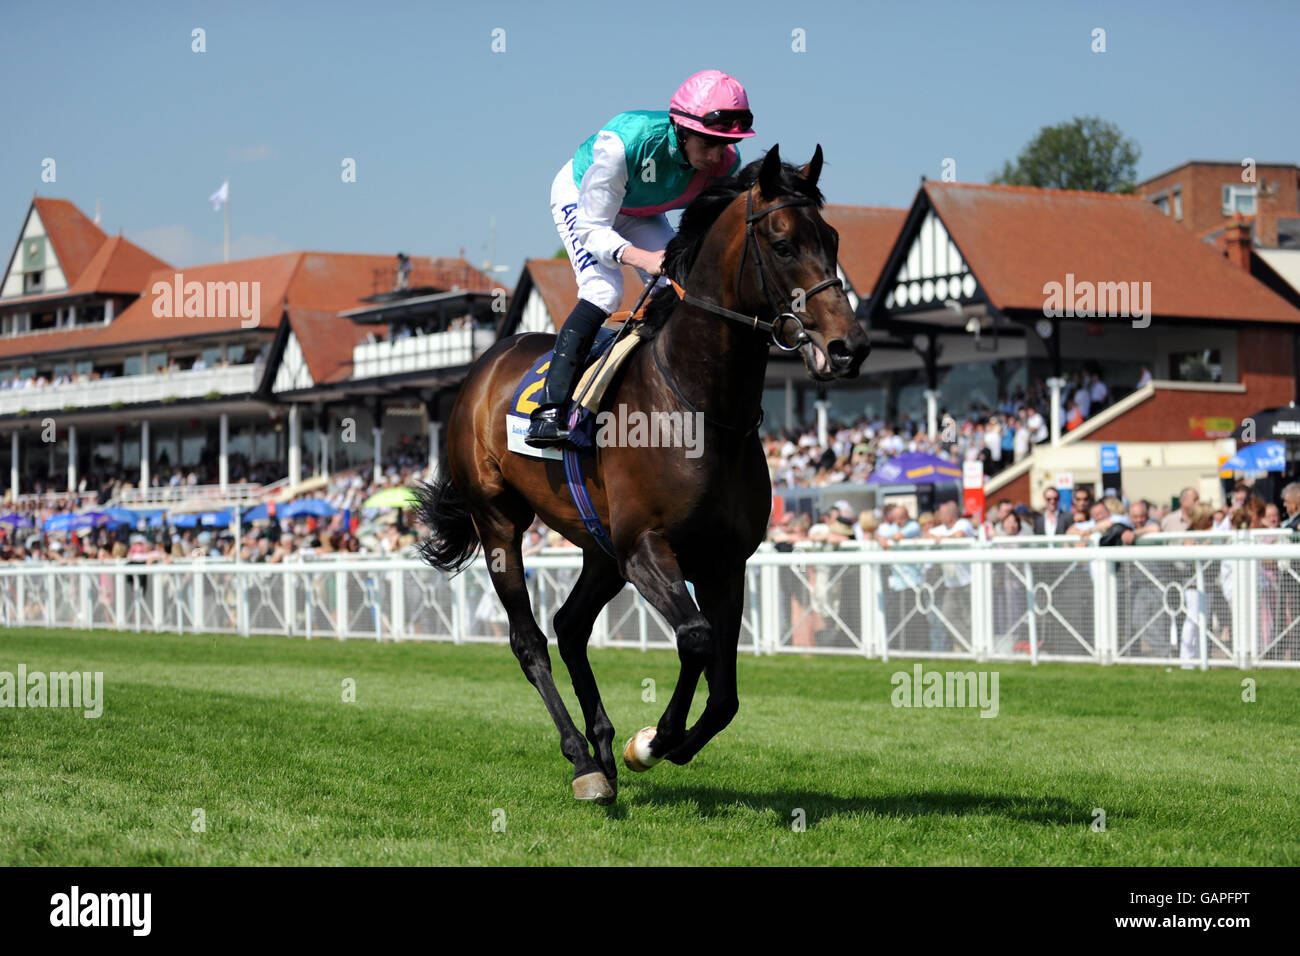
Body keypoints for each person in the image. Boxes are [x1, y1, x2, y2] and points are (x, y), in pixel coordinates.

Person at [526, 70, 752, 448]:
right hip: (584, 200)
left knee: (685, 281)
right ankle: (550, 410)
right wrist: (643, 258)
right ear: (681, 129)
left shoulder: (726, 163)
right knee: (604, 290)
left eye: (725, 143)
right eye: (710, 142)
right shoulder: (624, 143)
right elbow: (593, 229)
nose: (717, 156)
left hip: (639, 209)